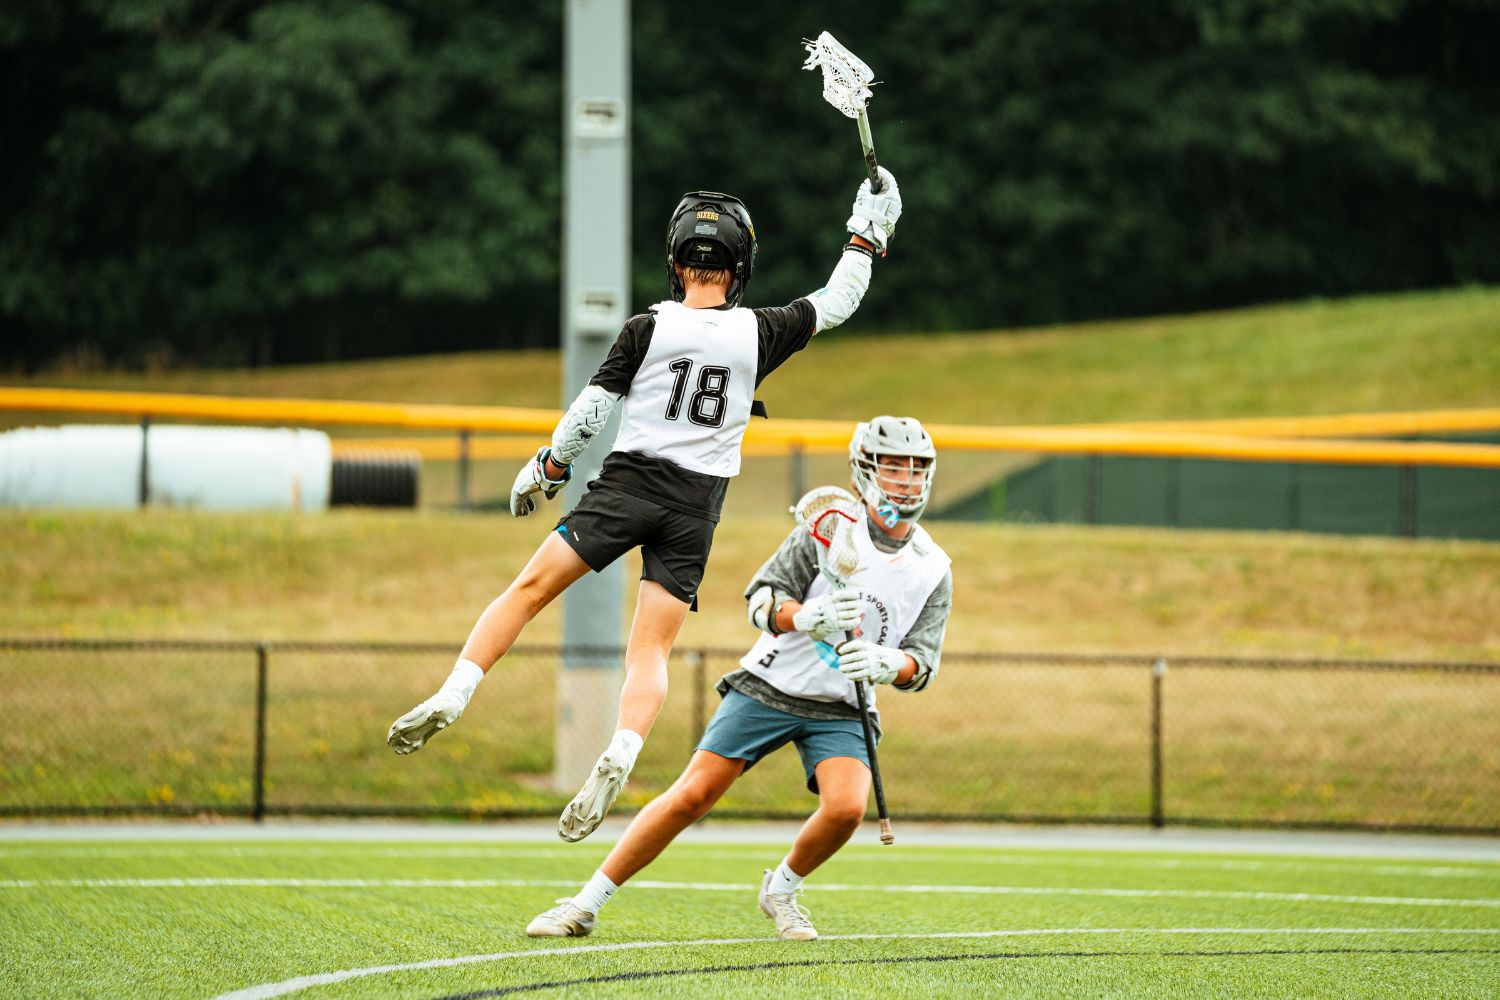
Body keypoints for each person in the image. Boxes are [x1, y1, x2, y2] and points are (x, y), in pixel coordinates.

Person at [386, 170, 905, 844]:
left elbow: (591, 412)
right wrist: (868, 232)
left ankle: (456, 690)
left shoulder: (647, 327)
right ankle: (623, 751)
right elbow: (838, 300)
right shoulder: (759, 331)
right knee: (650, 651)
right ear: (741, 264)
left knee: (528, 590)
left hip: (628, 486)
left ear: (675, 258)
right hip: (694, 509)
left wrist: (548, 466)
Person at [525, 415, 952, 940]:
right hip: (770, 687)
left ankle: (782, 890)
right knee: (692, 796)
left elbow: (921, 663)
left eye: (915, 470)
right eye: (892, 468)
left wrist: (889, 665)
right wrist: (804, 617)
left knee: (845, 810)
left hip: (843, 706)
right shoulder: (827, 526)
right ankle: (585, 903)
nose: (905, 481)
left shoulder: (933, 566)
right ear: (864, 470)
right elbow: (760, 601)